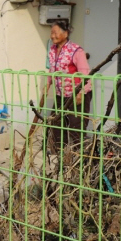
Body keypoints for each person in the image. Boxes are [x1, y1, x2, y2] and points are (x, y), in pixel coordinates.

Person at [44, 20, 92, 149]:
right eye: (51, 33)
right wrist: (47, 85)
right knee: (56, 125)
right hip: (61, 95)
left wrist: (81, 93)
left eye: (55, 32)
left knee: (76, 127)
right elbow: (52, 70)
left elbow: (85, 74)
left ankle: (80, 158)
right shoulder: (53, 50)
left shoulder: (76, 51)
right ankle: (60, 157)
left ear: (65, 33)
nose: (52, 36)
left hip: (77, 95)